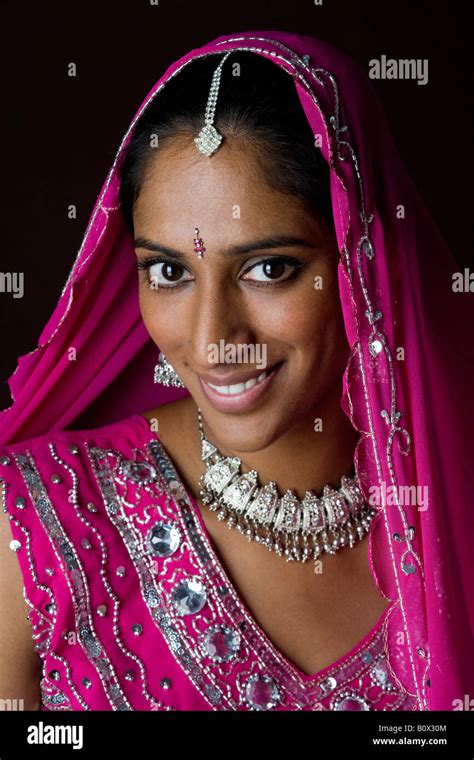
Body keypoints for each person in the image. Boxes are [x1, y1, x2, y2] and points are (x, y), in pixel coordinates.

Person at [0, 30, 472, 712]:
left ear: (362, 261)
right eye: (169, 272)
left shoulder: (449, 517)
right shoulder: (31, 528)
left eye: (268, 269)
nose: (211, 337)